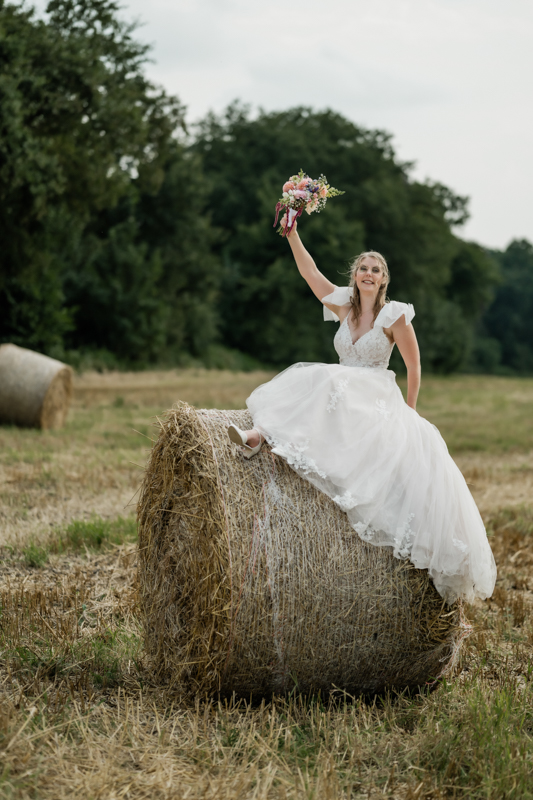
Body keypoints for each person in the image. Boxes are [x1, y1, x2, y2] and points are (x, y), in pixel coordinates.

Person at [227, 221, 496, 604]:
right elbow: (309, 272)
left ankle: (263, 435)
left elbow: (414, 366)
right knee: (320, 379)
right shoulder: (342, 305)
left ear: (383, 280)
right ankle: (259, 435)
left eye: (376, 269)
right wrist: (292, 235)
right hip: (344, 384)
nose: (369, 273)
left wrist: (410, 411)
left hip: (373, 389)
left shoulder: (395, 316)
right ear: (355, 275)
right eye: (363, 268)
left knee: (327, 380)